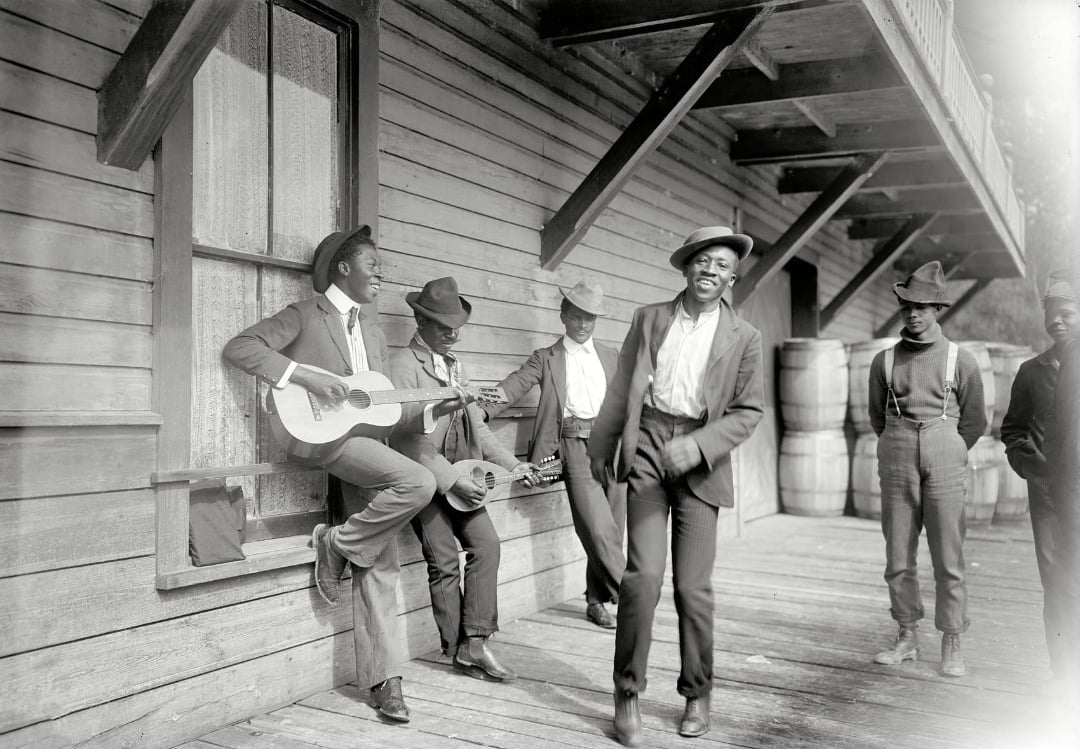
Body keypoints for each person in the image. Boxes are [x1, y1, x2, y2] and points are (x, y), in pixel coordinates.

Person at [223, 226, 465, 724]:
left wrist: (436, 407)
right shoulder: (305, 316)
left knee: (379, 558)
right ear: (343, 267)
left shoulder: (373, 334)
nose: (381, 271)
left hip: (366, 443)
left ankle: (384, 680)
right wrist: (305, 375)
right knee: (418, 482)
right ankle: (333, 544)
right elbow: (241, 347)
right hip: (323, 437)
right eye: (372, 262)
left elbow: (382, 412)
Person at [587, 226, 765, 746]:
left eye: (722, 266)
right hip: (646, 446)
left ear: (732, 278)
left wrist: (702, 443)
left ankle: (697, 693)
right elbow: (622, 387)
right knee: (641, 578)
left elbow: (749, 411)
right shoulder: (650, 319)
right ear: (686, 267)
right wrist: (601, 448)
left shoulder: (744, 337)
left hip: (701, 462)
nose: (711, 271)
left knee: (693, 588)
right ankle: (626, 695)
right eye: (703, 261)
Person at [389, 276, 540, 683]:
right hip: (426, 478)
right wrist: (450, 478)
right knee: (442, 562)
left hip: (466, 477)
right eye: (443, 326)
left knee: (486, 546)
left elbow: (480, 427)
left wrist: (514, 466)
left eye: (456, 325)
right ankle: (460, 650)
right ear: (420, 322)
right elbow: (406, 436)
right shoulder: (403, 367)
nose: (452, 334)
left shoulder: (457, 366)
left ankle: (475, 642)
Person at [867, 260, 986, 679]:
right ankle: (906, 635)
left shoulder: (961, 360)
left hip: (945, 457)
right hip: (896, 454)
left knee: (948, 556)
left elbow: (975, 421)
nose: (913, 314)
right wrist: (903, 443)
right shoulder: (883, 361)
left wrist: (947, 447)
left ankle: (952, 637)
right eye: (906, 307)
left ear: (938, 309)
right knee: (898, 554)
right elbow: (876, 418)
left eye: (921, 306)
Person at [485, 279, 626, 629]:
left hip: (616, 447)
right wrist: (481, 407)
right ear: (564, 315)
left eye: (590, 318)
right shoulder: (546, 358)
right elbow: (514, 385)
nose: (583, 324)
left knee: (613, 526)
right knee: (597, 528)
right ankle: (634, 595)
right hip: (575, 446)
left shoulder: (611, 356)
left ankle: (596, 600)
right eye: (577, 316)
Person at [1000, 274, 1080, 689]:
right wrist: (1034, 466)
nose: (1059, 323)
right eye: (1052, 317)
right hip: (1049, 498)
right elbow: (1012, 429)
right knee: (1058, 584)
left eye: (1067, 314)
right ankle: (1064, 677)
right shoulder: (1032, 371)